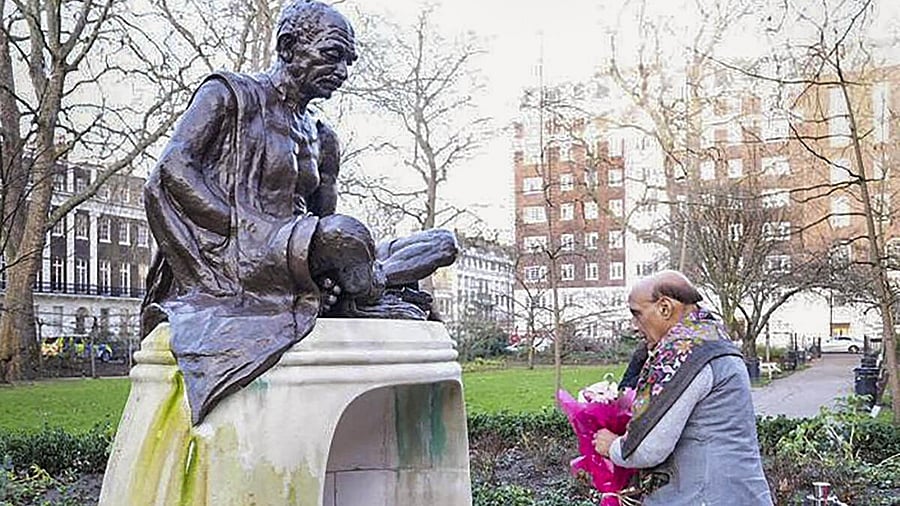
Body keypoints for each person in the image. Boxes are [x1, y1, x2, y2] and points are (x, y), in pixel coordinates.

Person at [141, 0, 455, 425]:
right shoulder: (229, 95)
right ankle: (367, 293)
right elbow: (172, 169)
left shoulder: (323, 136)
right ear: (289, 46)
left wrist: (329, 262)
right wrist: (242, 228)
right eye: (332, 55)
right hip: (238, 247)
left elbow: (325, 222)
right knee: (347, 237)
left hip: (296, 247)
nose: (343, 71)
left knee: (441, 243)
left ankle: (367, 284)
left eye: (348, 60)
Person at [593, 270, 773, 505]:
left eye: (637, 314)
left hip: (707, 497)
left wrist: (612, 447)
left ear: (664, 308)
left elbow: (648, 449)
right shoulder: (711, 341)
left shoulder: (684, 353)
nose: (634, 325)